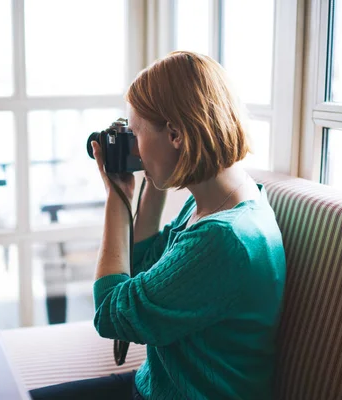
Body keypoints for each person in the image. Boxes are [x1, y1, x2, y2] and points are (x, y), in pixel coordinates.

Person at [30, 51, 286, 400]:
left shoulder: (222, 239)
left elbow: (109, 314)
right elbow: (145, 266)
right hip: (155, 385)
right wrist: (149, 184)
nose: (134, 147)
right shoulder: (225, 203)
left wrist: (115, 201)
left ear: (176, 135)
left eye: (135, 132)